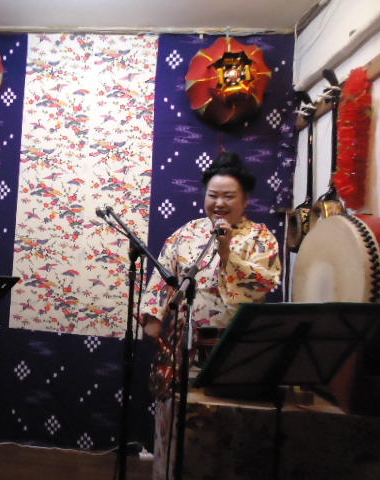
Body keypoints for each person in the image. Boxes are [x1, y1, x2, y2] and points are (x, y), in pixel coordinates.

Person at [140, 152, 281, 480]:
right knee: (177, 422)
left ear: (245, 201)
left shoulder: (261, 238)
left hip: (233, 348)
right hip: (182, 344)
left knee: (226, 427)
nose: (219, 203)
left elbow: (263, 283)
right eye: (213, 195)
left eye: (228, 196)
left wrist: (227, 252)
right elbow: (163, 275)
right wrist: (154, 316)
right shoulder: (187, 233)